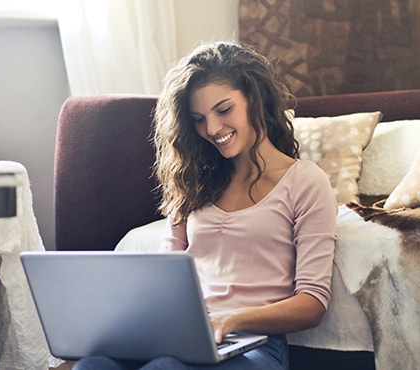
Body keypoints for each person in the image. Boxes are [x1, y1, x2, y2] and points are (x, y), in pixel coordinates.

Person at [73, 41, 337, 370]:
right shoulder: (194, 180)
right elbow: (169, 275)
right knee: (92, 365)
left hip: (253, 344)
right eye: (199, 119)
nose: (212, 129)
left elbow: (312, 304)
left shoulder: (305, 182)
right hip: (185, 334)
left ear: (255, 99)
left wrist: (228, 319)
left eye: (224, 110)